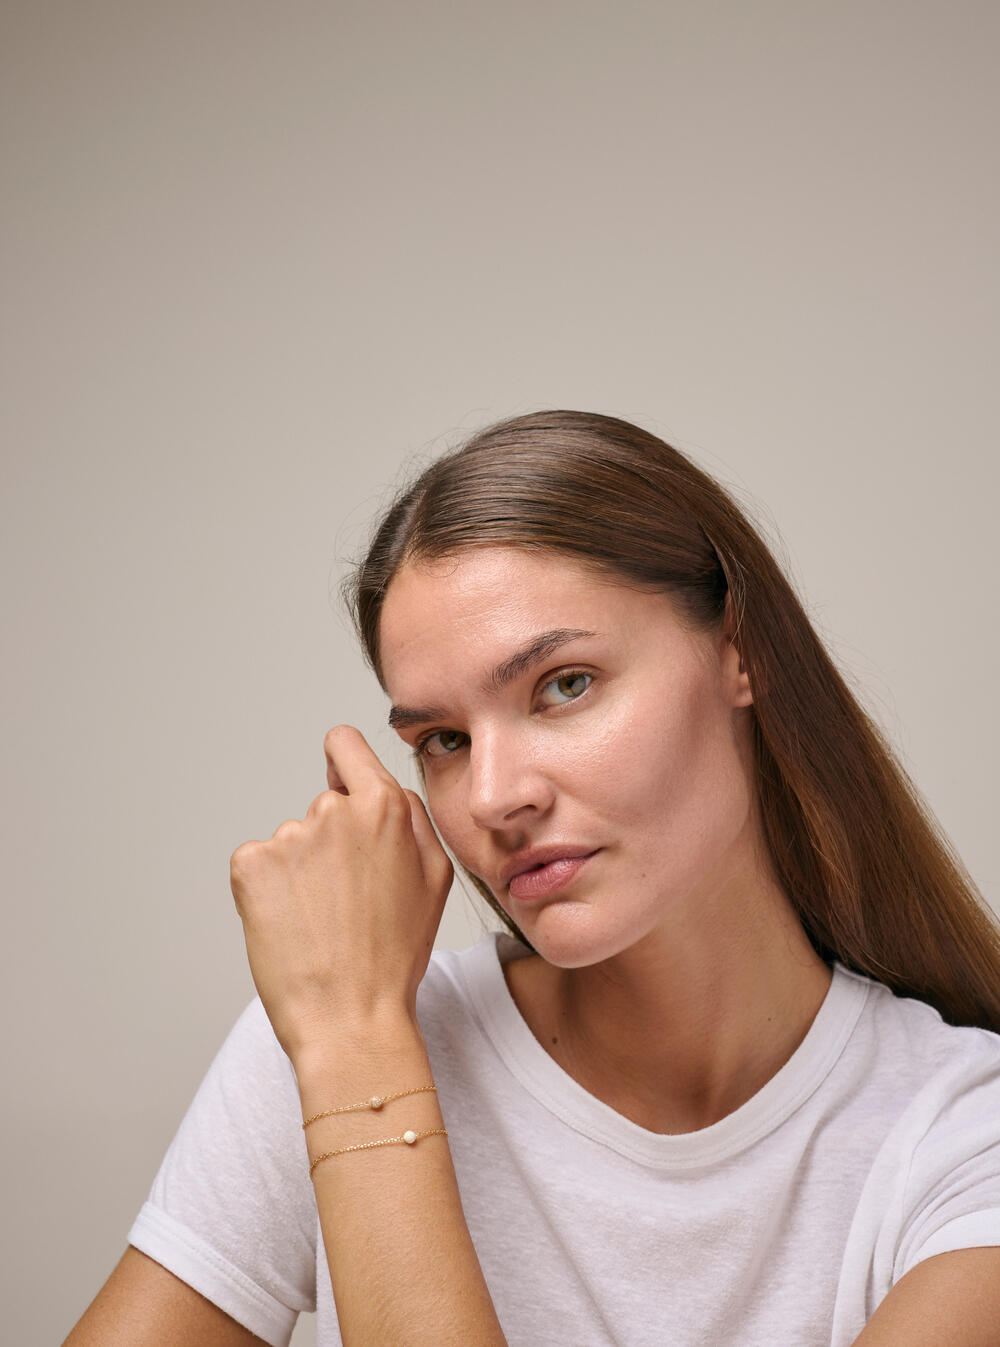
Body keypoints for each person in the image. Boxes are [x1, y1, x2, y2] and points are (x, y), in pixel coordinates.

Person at [64, 409, 1000, 1346]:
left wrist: (362, 1076)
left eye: (564, 684)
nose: (493, 796)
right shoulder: (346, 1028)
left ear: (740, 651)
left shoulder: (966, 1141)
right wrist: (356, 1050)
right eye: (445, 739)